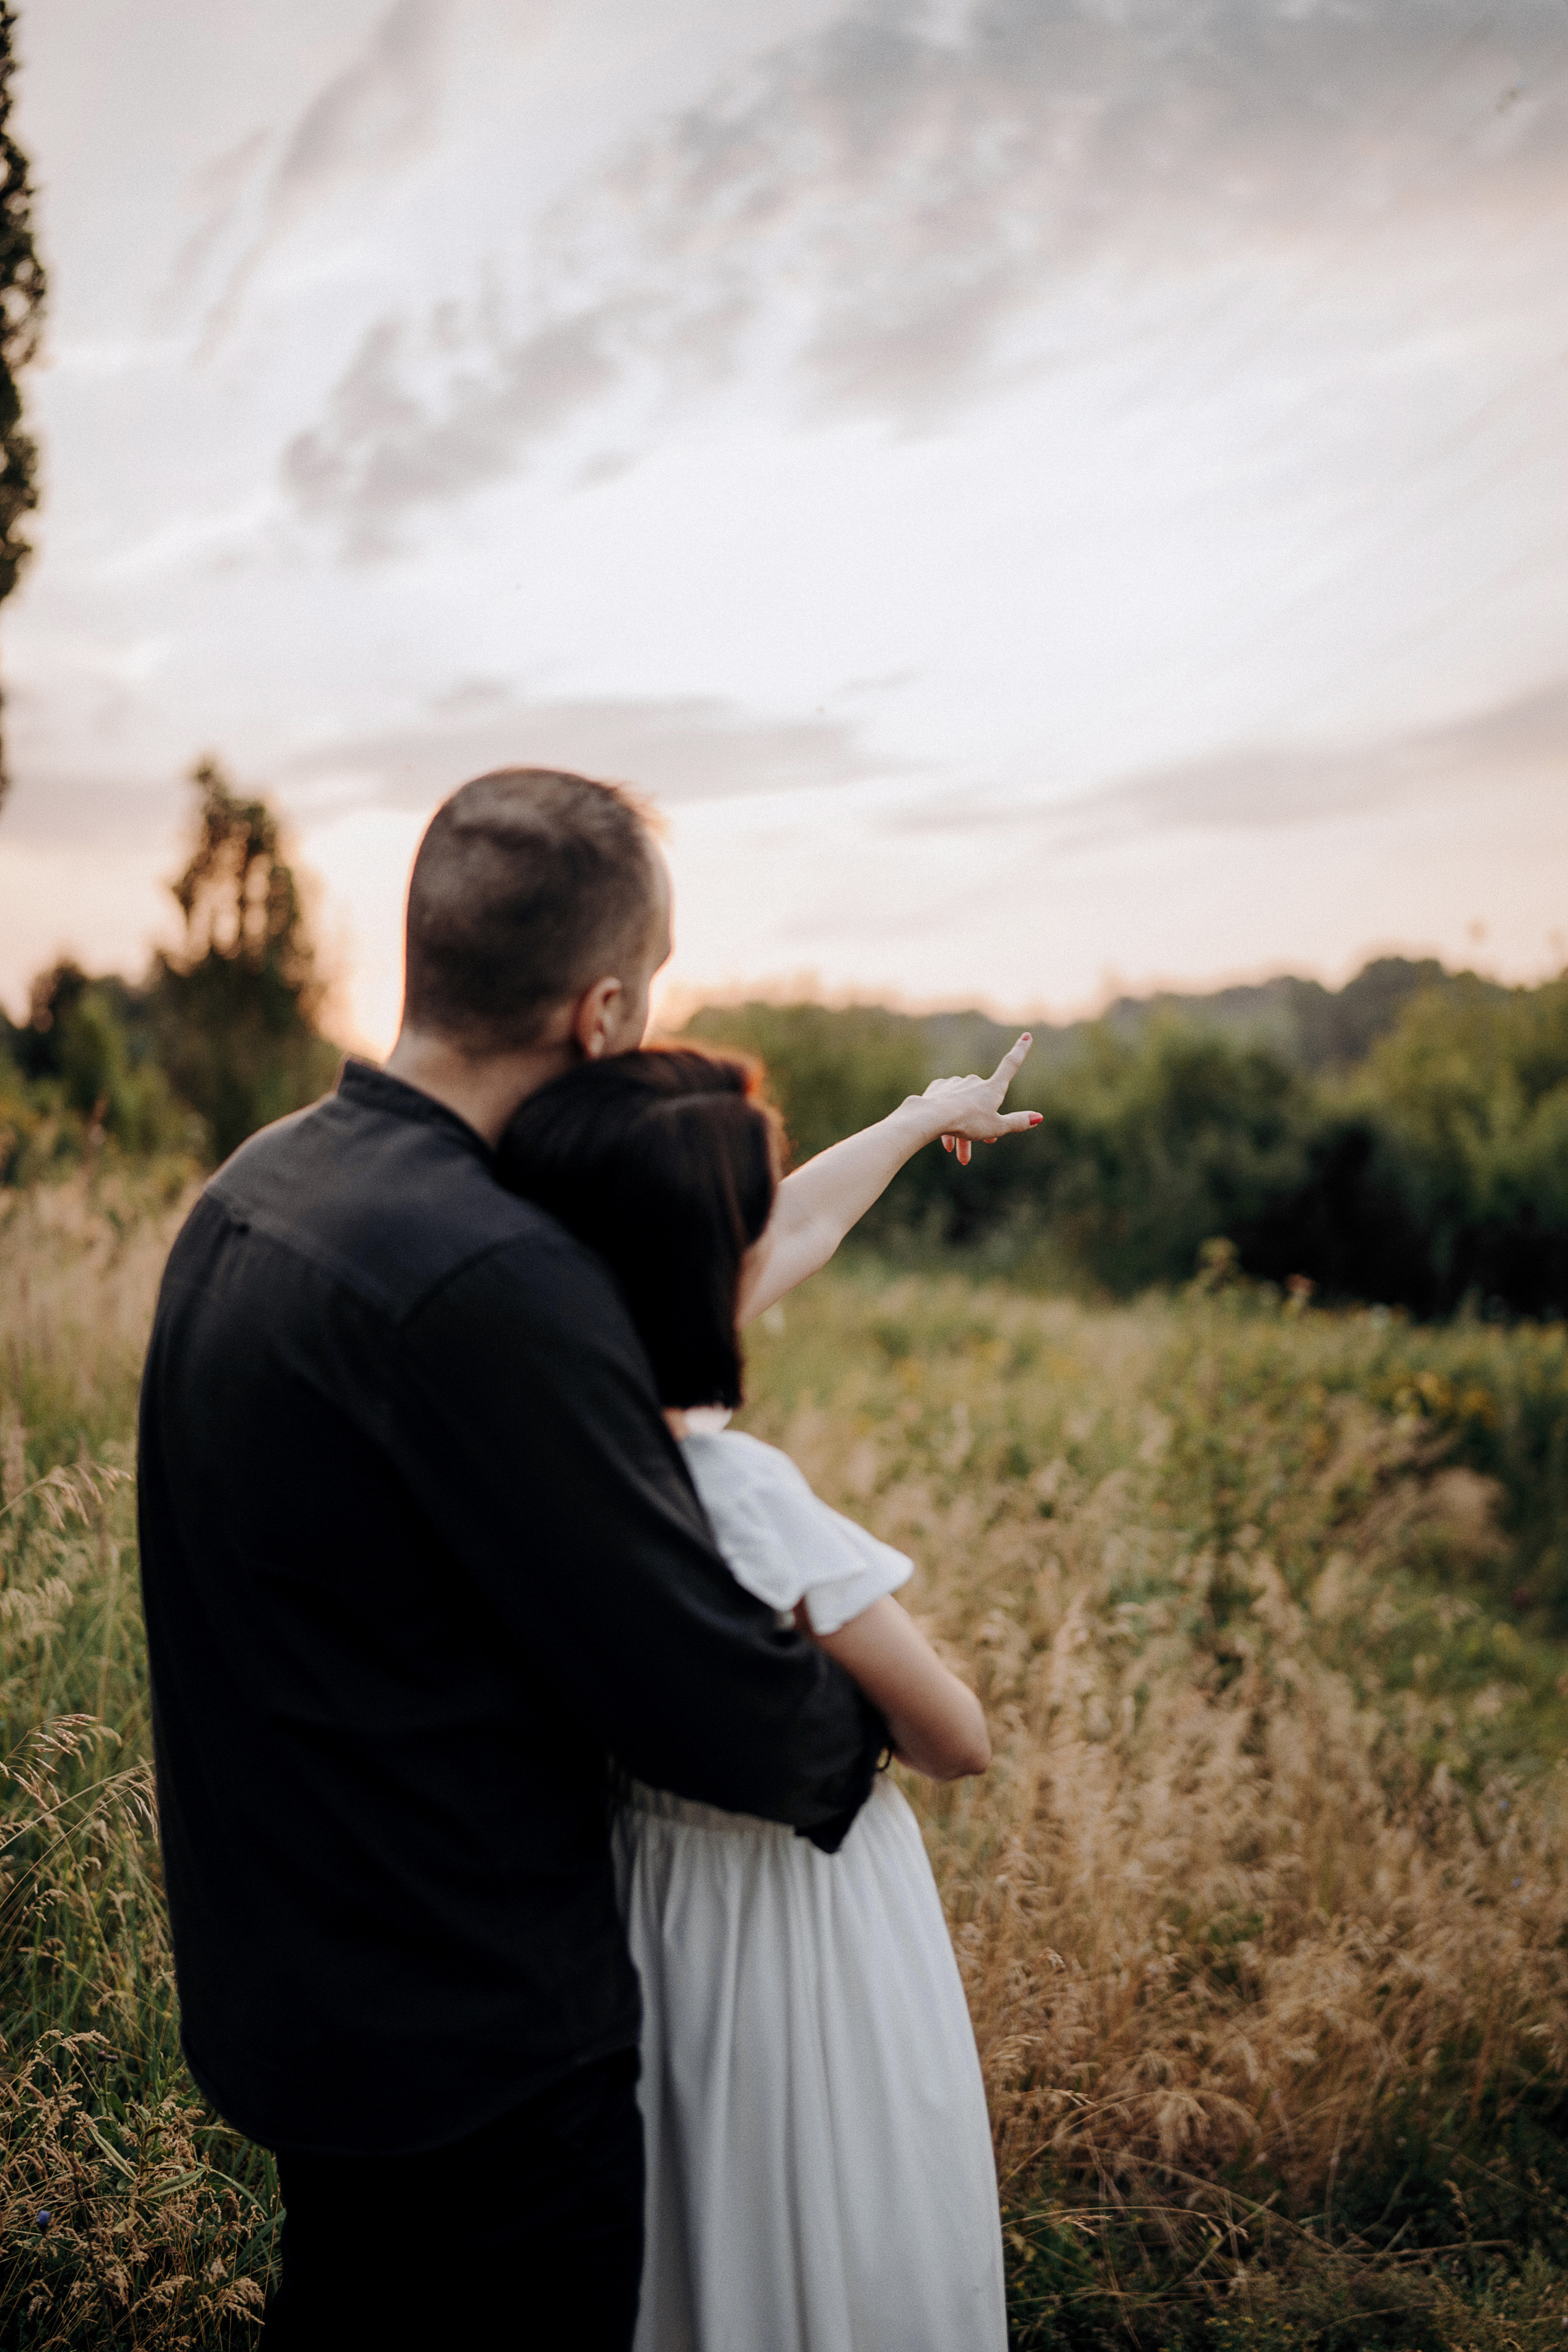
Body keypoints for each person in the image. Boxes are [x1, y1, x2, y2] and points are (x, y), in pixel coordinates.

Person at [137, 769, 892, 2351]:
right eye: (660, 986)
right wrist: (861, 1734)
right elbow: (693, 1677)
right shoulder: (493, 1275)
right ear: (603, 1012)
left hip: (297, 2001)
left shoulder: (247, 1195)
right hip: (476, 2057)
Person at [500, 1045, 1034, 2352]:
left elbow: (797, 1217)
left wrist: (919, 1116)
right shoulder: (742, 1497)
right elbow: (954, 1738)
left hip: (637, 1904)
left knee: (687, 2234)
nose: (775, 1241)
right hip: (786, 1918)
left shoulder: (551, 1428)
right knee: (817, 2218)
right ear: (713, 1280)